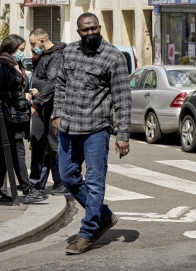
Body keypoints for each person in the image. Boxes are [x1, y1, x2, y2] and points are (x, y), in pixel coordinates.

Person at [53, 13, 131, 255]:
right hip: (68, 127)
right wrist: (56, 113)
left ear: (99, 27)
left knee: (95, 183)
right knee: (67, 177)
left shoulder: (113, 57)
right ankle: (104, 216)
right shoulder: (69, 52)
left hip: (96, 129)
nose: (90, 33)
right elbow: (60, 85)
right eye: (85, 30)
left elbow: (122, 98)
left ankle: (88, 232)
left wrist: (123, 134)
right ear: (78, 32)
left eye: (93, 28)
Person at [0, 35, 47, 204]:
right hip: (7, 117)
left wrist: (30, 91)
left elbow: (18, 86)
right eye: (21, 49)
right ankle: (27, 190)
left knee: (3, 154)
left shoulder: (15, 64)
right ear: (11, 48)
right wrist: (22, 96)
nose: (23, 52)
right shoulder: (0, 64)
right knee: (17, 152)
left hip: (17, 116)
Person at [28, 29, 67, 195]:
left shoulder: (56, 56)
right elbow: (40, 76)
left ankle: (61, 182)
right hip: (42, 105)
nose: (31, 48)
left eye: (33, 44)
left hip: (50, 106)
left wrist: (36, 102)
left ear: (42, 41)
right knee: (39, 143)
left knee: (53, 146)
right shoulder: (43, 55)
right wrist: (36, 58)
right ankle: (37, 182)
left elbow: (52, 83)